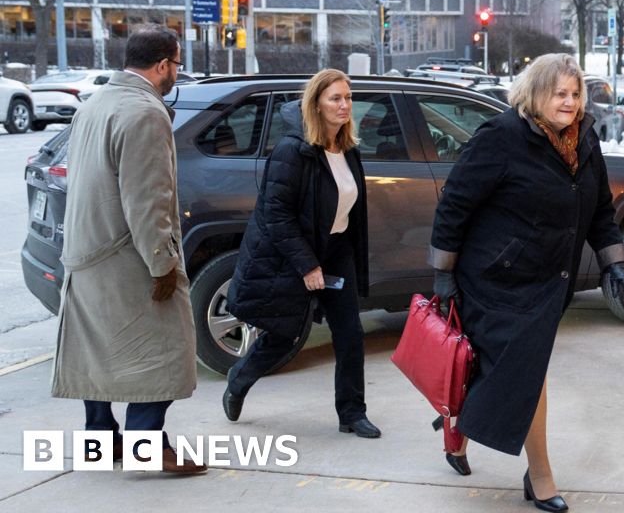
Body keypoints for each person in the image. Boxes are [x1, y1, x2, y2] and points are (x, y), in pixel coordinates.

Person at [428, 53, 624, 511]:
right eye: (560, 93)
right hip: (496, 279)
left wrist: (615, 264)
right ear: (536, 93)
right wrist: (442, 273)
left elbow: (600, 210)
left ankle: (459, 427)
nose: (570, 102)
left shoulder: (584, 140)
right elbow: (454, 204)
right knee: (527, 373)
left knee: (503, 370)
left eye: (575, 93)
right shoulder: (501, 136)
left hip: (549, 280)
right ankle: (539, 474)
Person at [51, 25, 206, 474]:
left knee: (96, 352)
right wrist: (163, 264)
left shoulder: (95, 101)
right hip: (126, 256)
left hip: (86, 253)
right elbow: (148, 199)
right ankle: (146, 441)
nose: (176, 73)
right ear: (162, 65)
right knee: (166, 350)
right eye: (176, 64)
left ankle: (101, 440)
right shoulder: (146, 112)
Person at [223, 69, 380, 439]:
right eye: (335, 98)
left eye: (348, 97)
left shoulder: (348, 148)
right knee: (285, 334)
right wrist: (307, 264)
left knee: (350, 334)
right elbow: (276, 215)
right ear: (316, 104)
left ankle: (352, 413)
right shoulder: (293, 151)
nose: (344, 105)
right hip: (296, 255)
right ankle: (239, 378)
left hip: (337, 251)